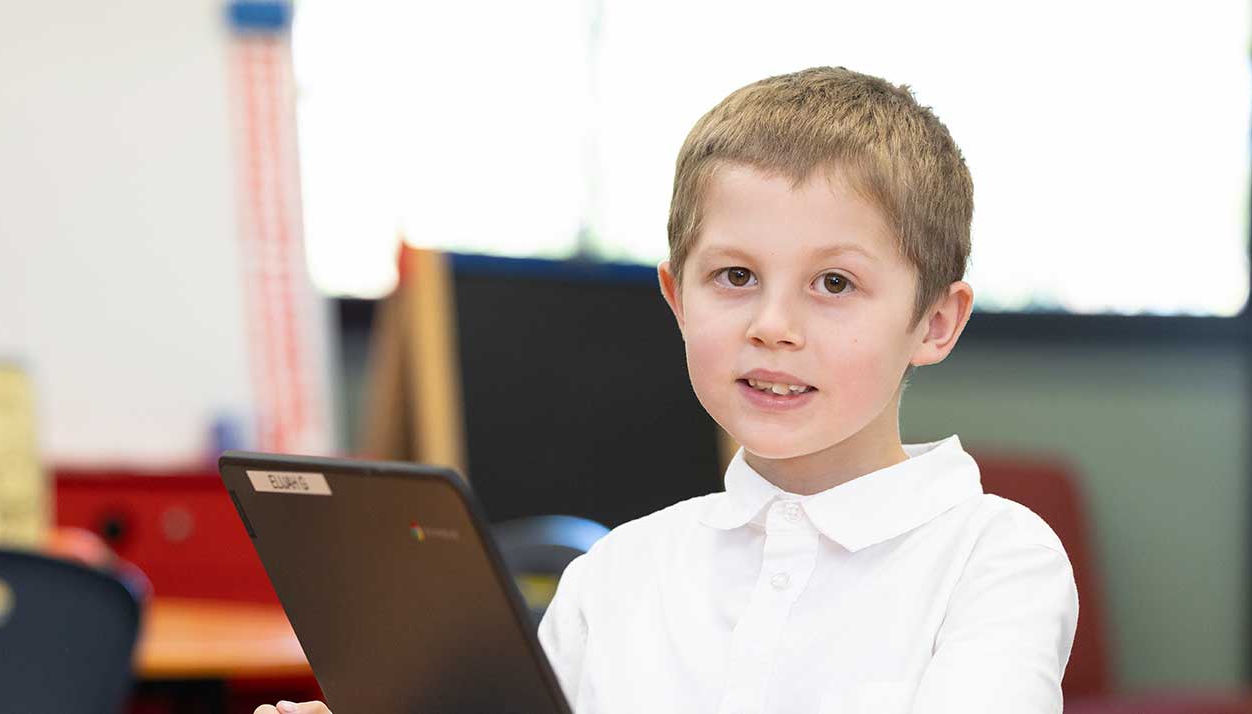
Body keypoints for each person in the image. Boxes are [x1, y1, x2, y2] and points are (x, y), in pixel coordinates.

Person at [258, 66, 1077, 714]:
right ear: (677, 299)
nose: (773, 324)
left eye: (833, 281)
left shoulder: (996, 561)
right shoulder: (615, 574)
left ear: (935, 322)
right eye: (734, 276)